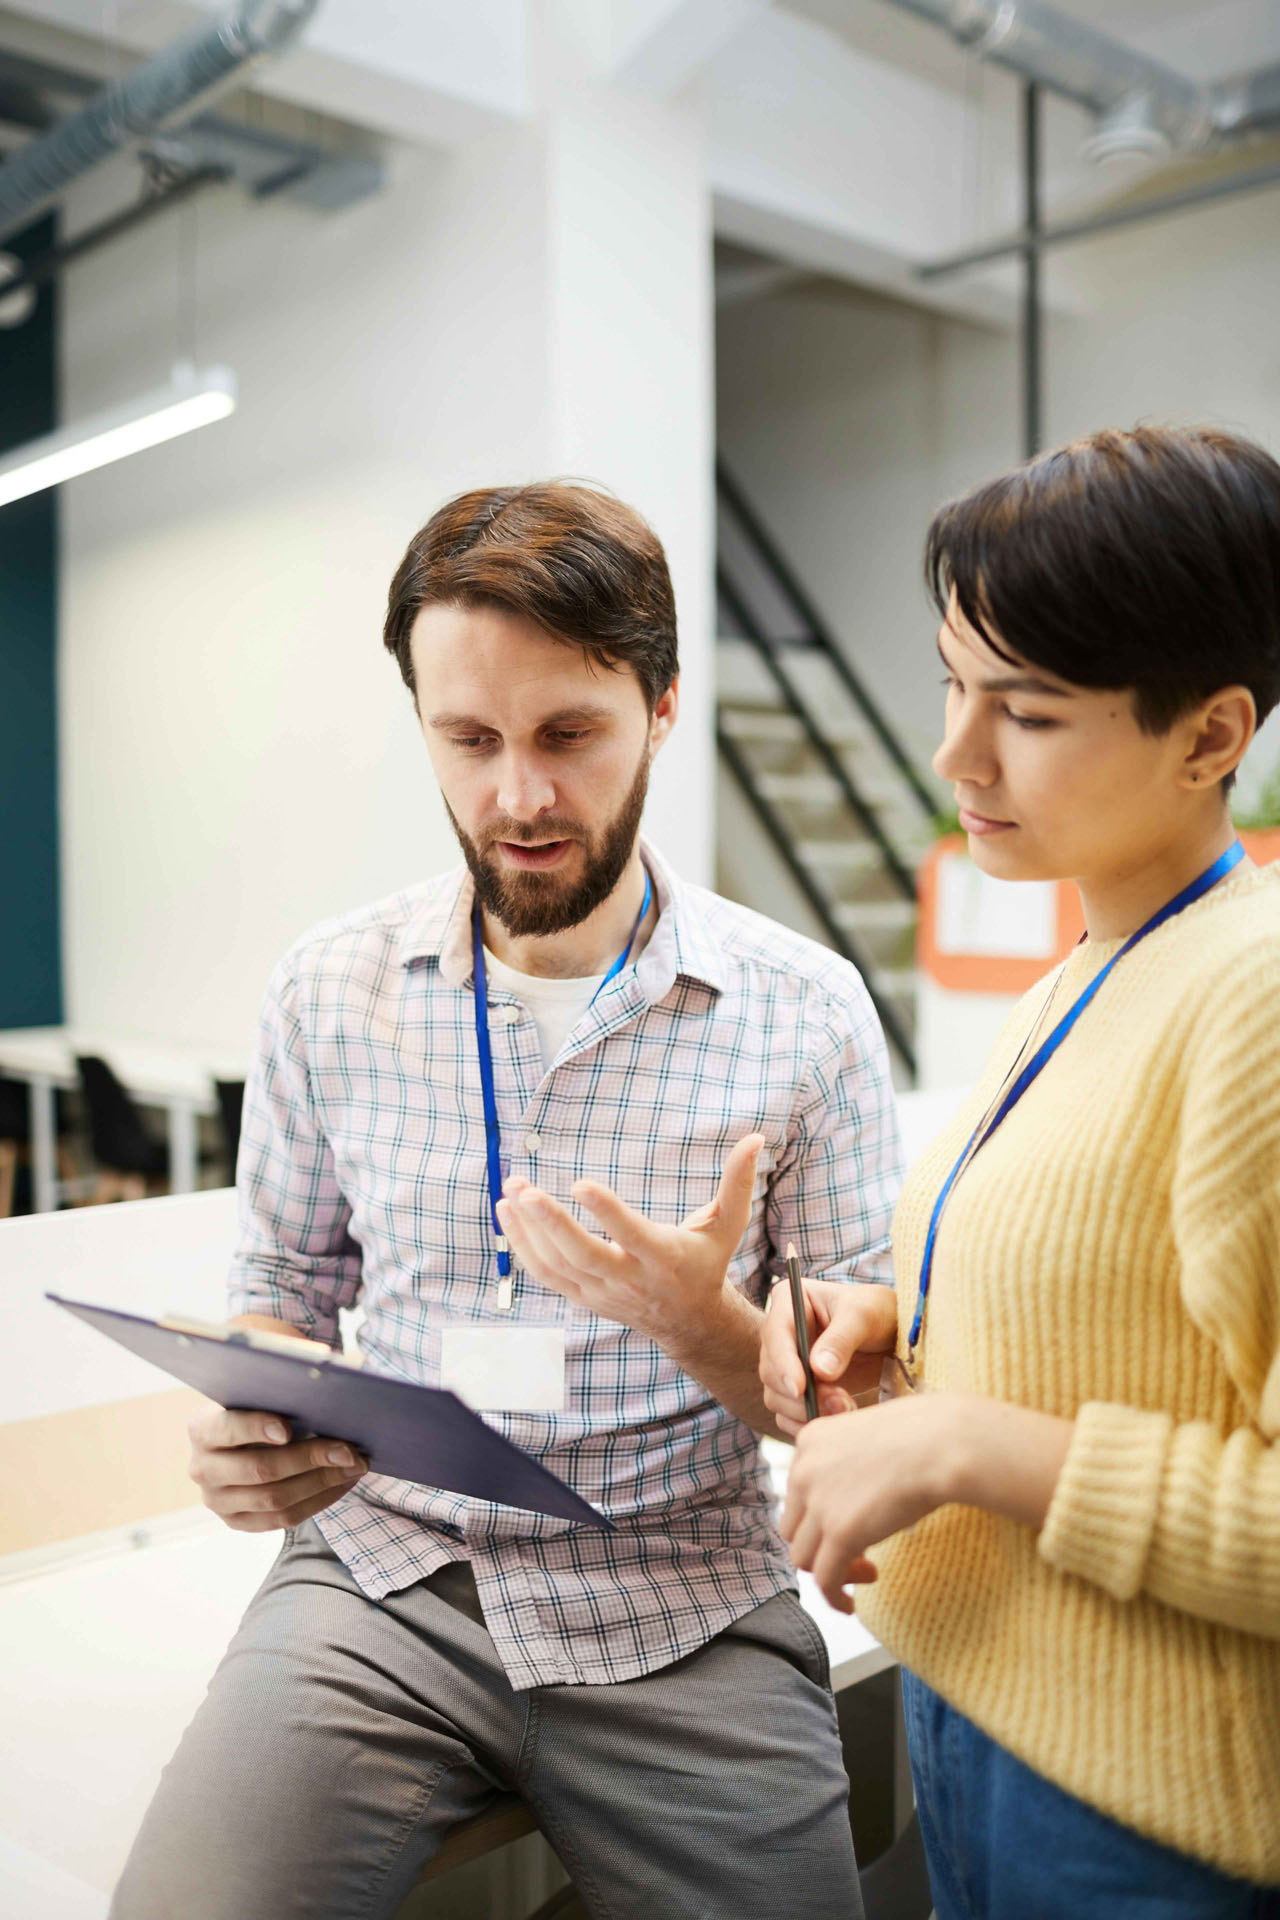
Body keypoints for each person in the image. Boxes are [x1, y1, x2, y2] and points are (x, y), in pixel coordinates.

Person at [111, 481, 902, 1920]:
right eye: (467, 740)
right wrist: (254, 1430)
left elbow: (866, 1422)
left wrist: (697, 1323)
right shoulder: (327, 989)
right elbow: (279, 1297)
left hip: (681, 1599)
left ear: (662, 707)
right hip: (382, 1583)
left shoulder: (808, 1015)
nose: (517, 797)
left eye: (567, 736)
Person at [761, 424, 1280, 1919]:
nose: (954, 757)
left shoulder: (1248, 996)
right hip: (986, 1728)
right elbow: (1127, 1329)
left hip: (1143, 1820)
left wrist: (967, 1448)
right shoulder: (1095, 964)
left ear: (1211, 734)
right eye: (953, 685)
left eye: (1030, 712)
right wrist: (905, 1333)